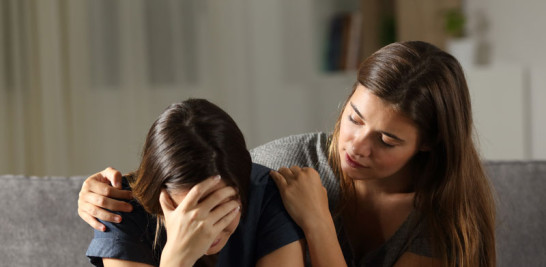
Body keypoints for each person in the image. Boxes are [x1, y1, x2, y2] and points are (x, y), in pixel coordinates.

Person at [78, 41, 496, 266]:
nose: (356, 146)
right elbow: (201, 170)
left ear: (429, 143)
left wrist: (317, 221)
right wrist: (105, 191)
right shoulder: (287, 163)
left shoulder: (444, 218)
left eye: (387, 141)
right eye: (353, 117)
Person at [84, 99, 306, 266]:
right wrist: (177, 258)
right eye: (189, 210)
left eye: (221, 208)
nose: (207, 229)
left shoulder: (267, 194)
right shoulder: (120, 206)